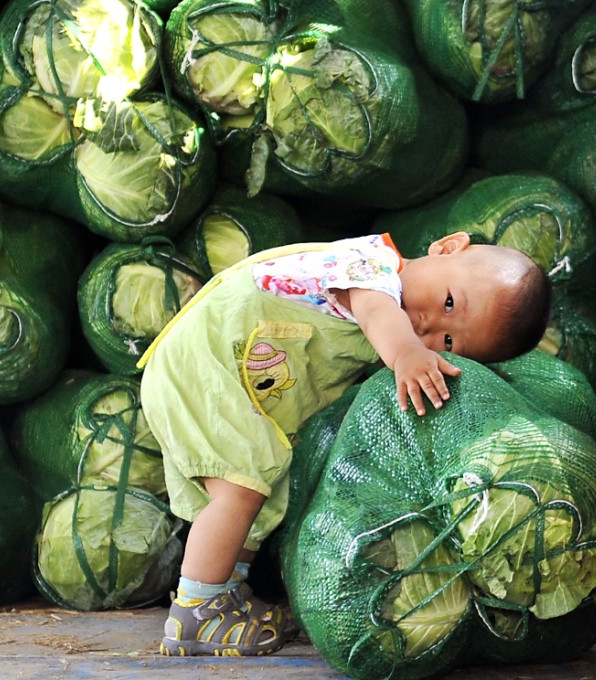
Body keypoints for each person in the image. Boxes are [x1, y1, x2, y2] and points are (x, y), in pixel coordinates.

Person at [136, 231, 552, 657]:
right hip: (209, 364)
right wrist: (408, 352)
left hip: (232, 381)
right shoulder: (372, 268)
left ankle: (226, 592)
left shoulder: (394, 307)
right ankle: (196, 613)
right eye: (449, 303)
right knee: (240, 490)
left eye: (448, 342)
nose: (430, 325)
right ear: (447, 247)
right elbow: (376, 312)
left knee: (260, 491)